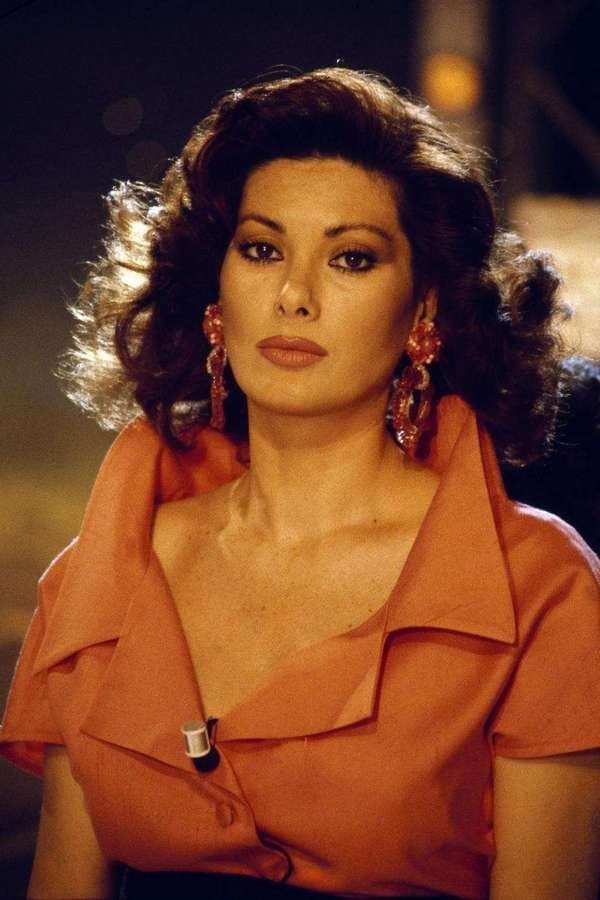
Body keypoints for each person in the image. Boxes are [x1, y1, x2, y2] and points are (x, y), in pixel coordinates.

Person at [1, 66, 599, 900]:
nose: (294, 295)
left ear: (424, 310)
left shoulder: (536, 586)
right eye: (262, 249)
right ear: (216, 291)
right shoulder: (102, 573)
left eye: (351, 258)